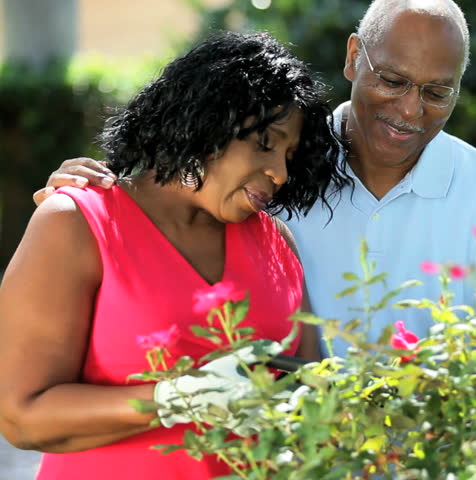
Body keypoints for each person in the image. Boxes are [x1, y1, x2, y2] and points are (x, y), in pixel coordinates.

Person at [34, 0, 476, 382]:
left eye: (437, 92)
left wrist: (417, 412)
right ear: (354, 57)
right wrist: (101, 197)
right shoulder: (267, 167)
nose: (410, 109)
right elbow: (171, 227)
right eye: (393, 81)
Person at [0, 31, 348, 479]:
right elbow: (21, 416)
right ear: (206, 120)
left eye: (289, 154)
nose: (280, 173)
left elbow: (311, 390)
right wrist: (175, 398)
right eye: (266, 142)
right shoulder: (77, 223)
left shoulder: (276, 243)